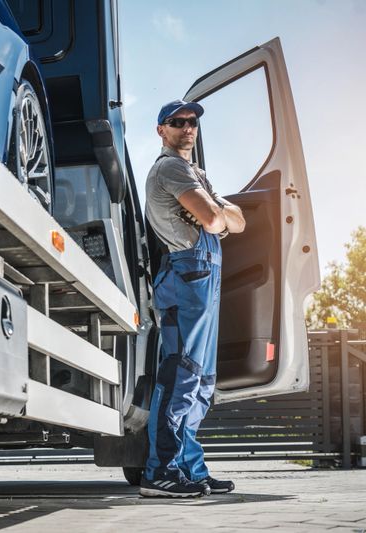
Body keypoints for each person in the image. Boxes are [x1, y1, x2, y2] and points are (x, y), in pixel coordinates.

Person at [140, 100, 246, 498]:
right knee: (180, 374)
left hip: (202, 276)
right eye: (177, 122)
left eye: (192, 121)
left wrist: (213, 209)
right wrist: (215, 211)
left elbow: (239, 220)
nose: (188, 127)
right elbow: (218, 222)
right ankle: (159, 472)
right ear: (161, 130)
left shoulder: (195, 173)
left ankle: (189, 468)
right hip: (186, 274)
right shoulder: (170, 168)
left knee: (201, 382)